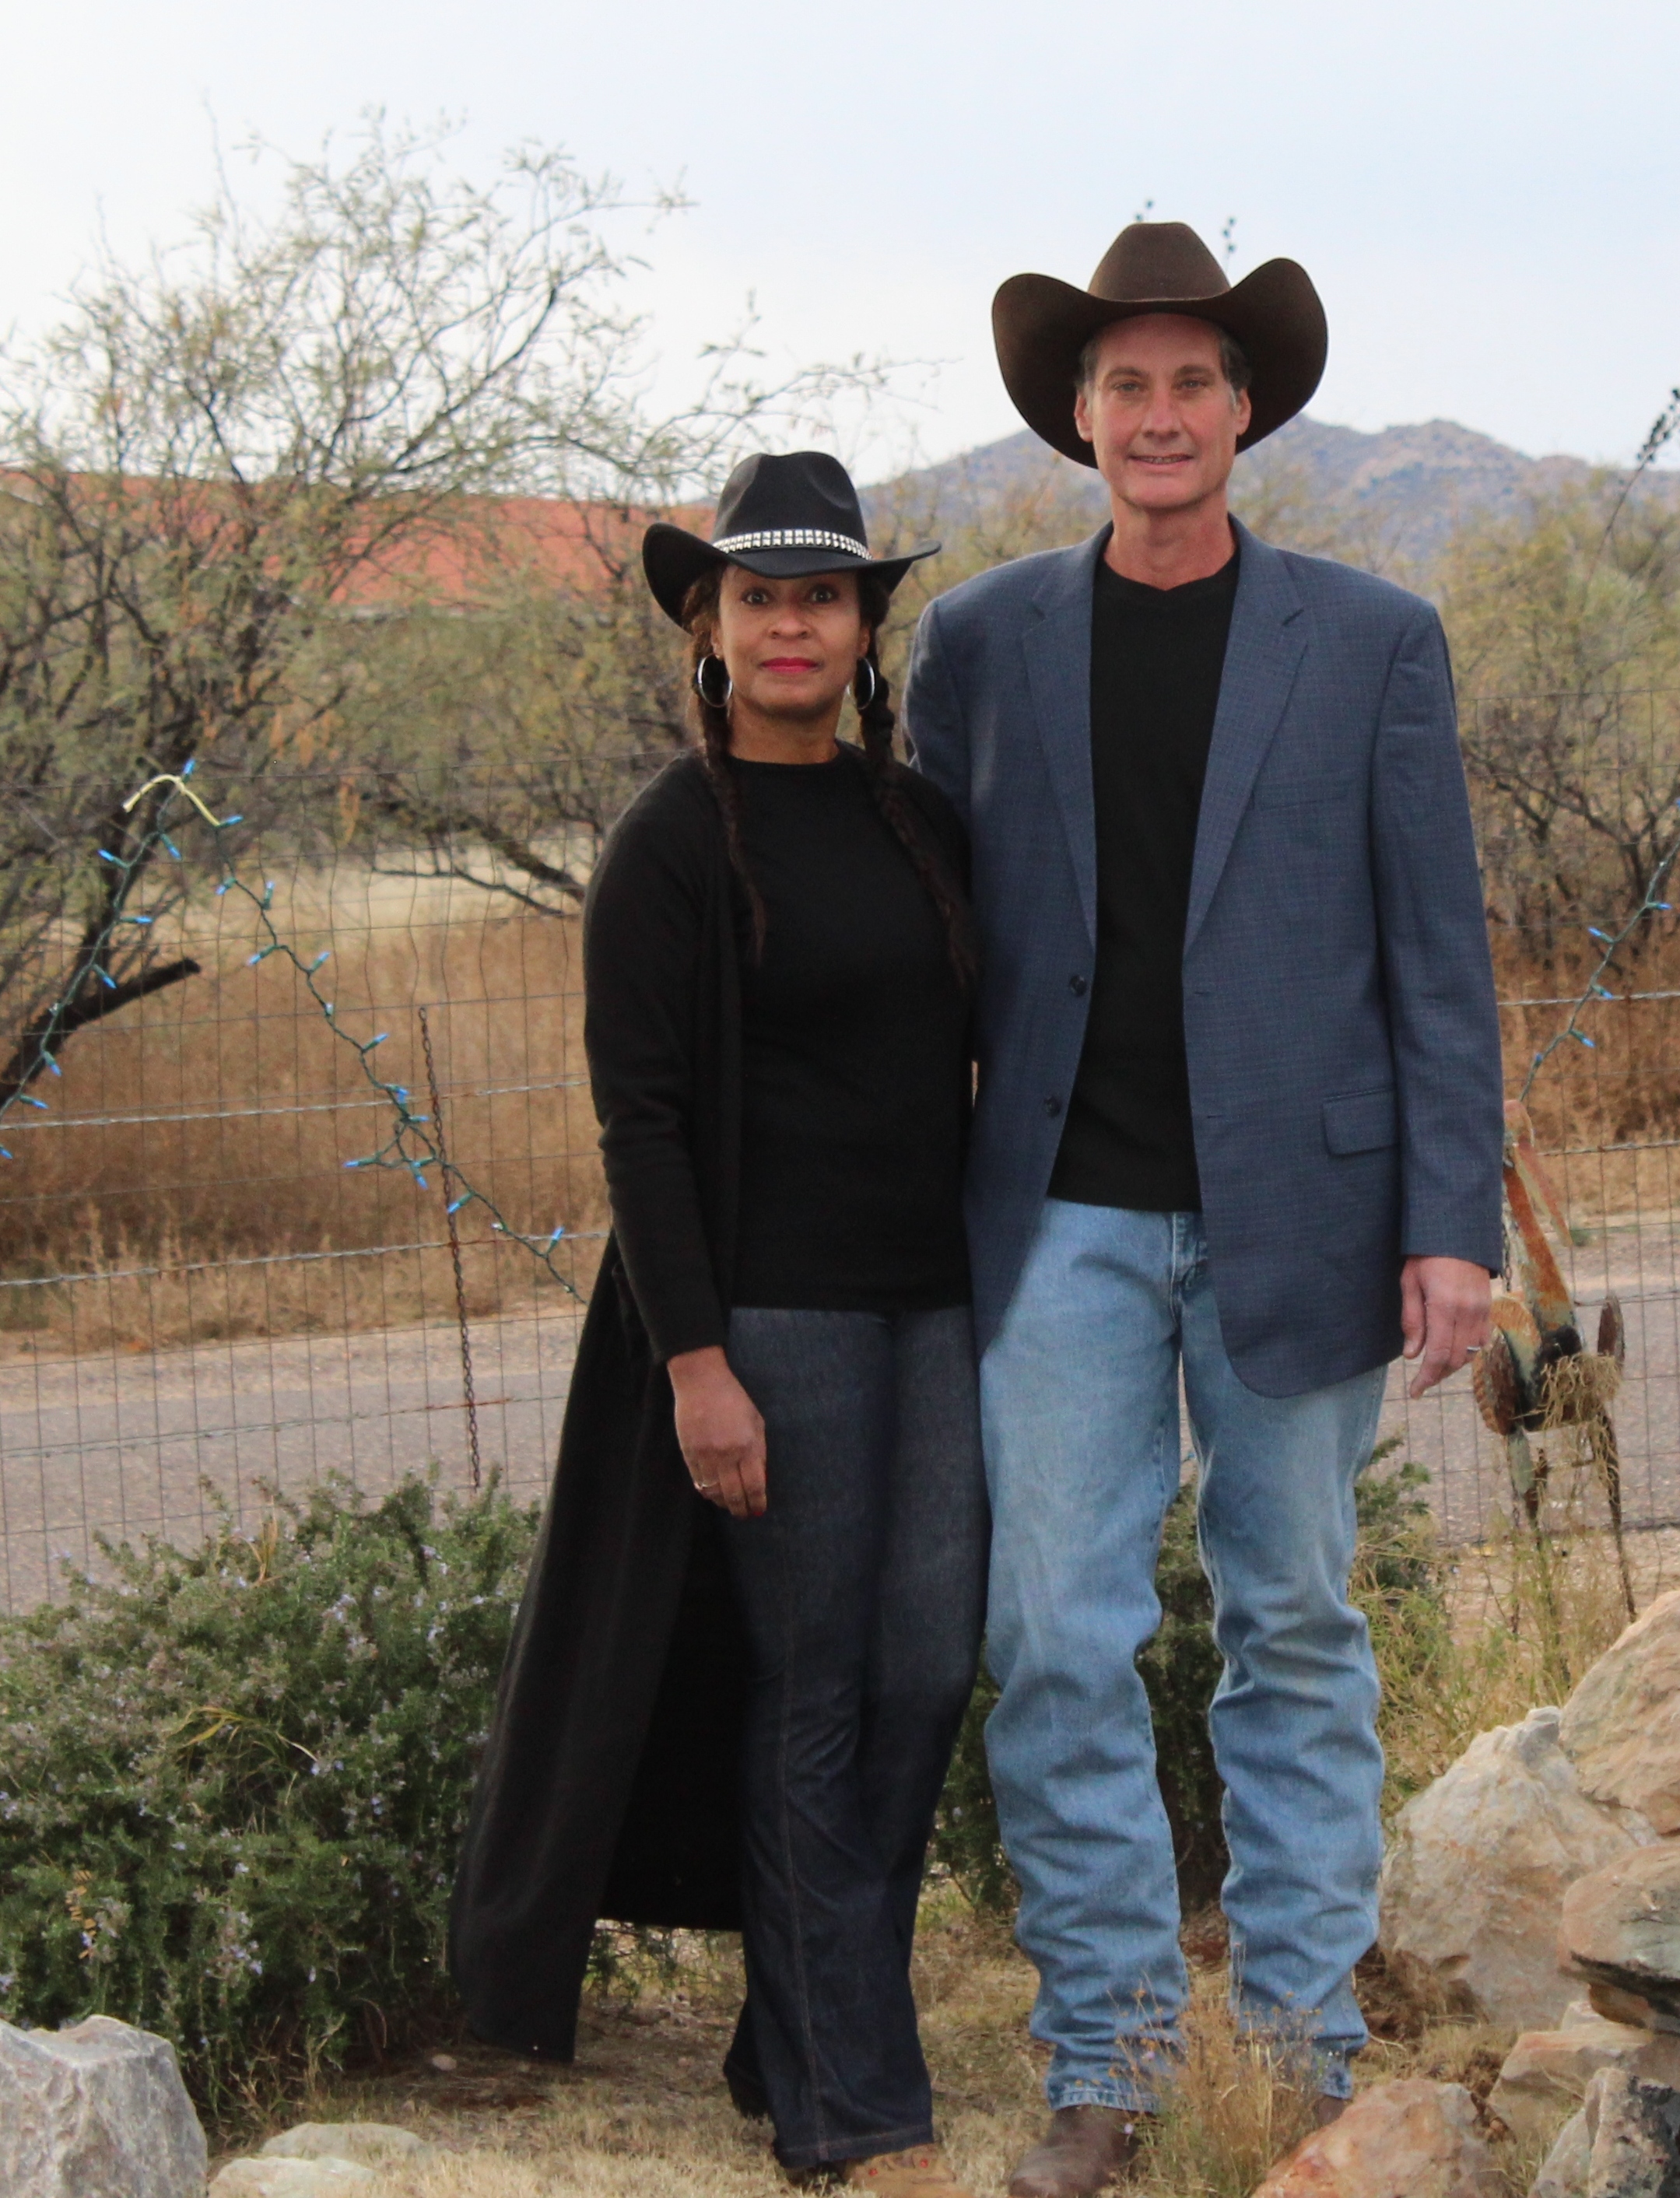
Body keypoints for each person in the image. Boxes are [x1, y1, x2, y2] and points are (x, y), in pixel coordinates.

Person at [907, 223, 1502, 2198]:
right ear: (1078, 418)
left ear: (1244, 409)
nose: (1159, 417)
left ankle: (1309, 2050)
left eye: (1191, 382)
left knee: (1298, 1628)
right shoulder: (984, 644)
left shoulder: (1371, 641)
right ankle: (1105, 2060)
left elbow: (1438, 959)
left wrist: (1453, 1220)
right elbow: (924, 947)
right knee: (1058, 1637)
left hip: (1303, 1218)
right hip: (1059, 1217)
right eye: (1123, 385)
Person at [453, 452, 986, 2197]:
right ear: (710, 624)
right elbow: (643, 1124)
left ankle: (793, 2029)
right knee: (814, 1691)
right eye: (758, 595)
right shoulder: (673, 846)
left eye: (820, 595)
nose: (790, 624)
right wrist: (700, 1367)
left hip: (936, 1308)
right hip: (775, 1323)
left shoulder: (916, 821)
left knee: (917, 1684)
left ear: (860, 625)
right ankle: (850, 2102)